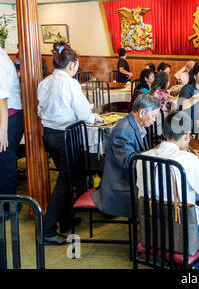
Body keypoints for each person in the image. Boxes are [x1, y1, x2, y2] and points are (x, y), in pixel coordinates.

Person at [37, 42, 103, 245]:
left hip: (48, 135)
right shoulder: (70, 83)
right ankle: (47, 230)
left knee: (64, 178)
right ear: (72, 64)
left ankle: (65, 221)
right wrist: (95, 118)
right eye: (77, 65)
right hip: (66, 136)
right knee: (65, 182)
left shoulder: (44, 82)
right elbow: (84, 114)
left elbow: (40, 111)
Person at [137, 111, 199, 268]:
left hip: (152, 225)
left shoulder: (141, 158)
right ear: (187, 135)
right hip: (180, 228)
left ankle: (164, 260)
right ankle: (195, 265)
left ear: (164, 132)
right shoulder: (188, 160)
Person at [91, 95, 161, 218]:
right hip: (120, 187)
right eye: (154, 115)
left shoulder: (134, 124)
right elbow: (130, 162)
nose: (154, 120)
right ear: (142, 112)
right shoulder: (123, 131)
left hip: (128, 178)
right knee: (161, 193)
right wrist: (155, 152)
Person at [0, 47, 24, 221]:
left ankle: (7, 207)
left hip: (9, 116)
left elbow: (2, 100)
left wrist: (3, 131)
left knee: (5, 161)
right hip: (6, 115)